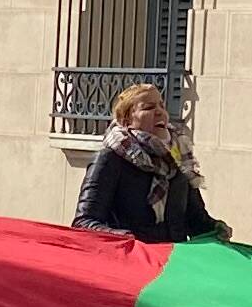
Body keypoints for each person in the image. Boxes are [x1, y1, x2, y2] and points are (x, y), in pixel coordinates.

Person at [74, 80, 222, 243]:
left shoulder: (179, 159)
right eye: (149, 108)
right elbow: (84, 223)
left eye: (162, 106)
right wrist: (127, 239)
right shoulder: (110, 159)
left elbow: (196, 222)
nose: (160, 112)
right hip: (129, 262)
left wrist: (216, 229)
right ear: (126, 120)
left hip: (170, 263)